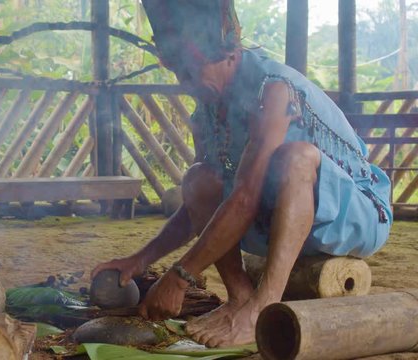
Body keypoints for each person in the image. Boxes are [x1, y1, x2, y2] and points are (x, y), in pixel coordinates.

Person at [91, 0, 392, 347]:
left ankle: (265, 305)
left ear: (229, 55)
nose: (186, 84)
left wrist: (181, 275)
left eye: (193, 71)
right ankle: (241, 298)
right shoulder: (206, 112)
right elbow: (198, 206)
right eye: (179, 73)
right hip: (279, 219)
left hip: (354, 215)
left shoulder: (274, 89)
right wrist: (141, 259)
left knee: (295, 158)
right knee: (199, 179)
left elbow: (246, 197)